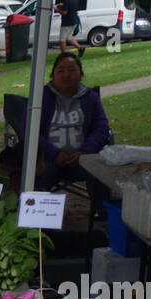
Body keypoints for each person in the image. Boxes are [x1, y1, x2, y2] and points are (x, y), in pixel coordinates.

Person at [36, 53, 111, 207]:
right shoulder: (41, 97)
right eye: (61, 70)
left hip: (83, 159)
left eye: (72, 70)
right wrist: (54, 153)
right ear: (53, 75)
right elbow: (28, 131)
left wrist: (85, 151)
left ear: (80, 74)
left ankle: (99, 214)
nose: (66, 75)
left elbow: (101, 126)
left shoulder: (90, 97)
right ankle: (39, 223)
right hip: (48, 159)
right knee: (39, 173)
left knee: (100, 171)